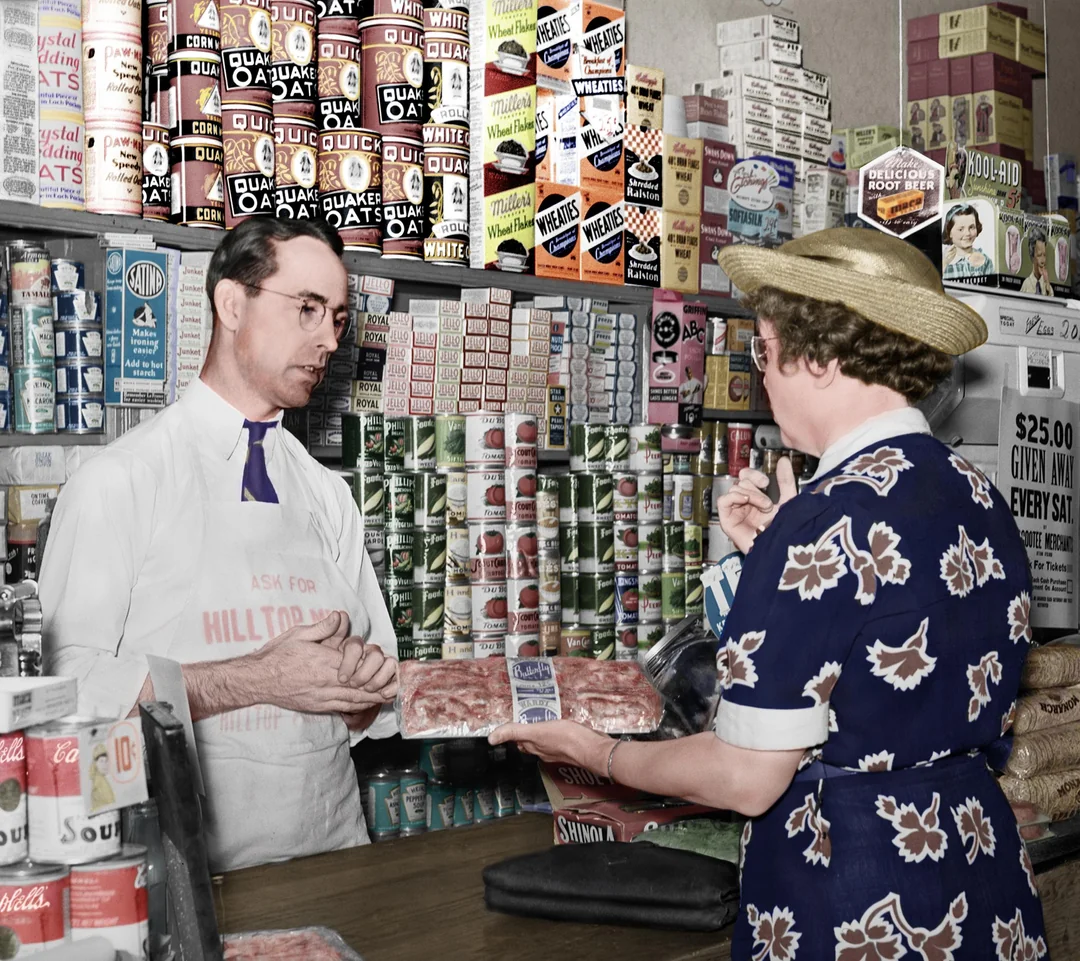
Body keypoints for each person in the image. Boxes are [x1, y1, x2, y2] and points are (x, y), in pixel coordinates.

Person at [492, 228, 1046, 959]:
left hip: (855, 901)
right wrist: (773, 558)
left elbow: (747, 776)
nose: (763, 375)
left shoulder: (821, 523)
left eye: (763, 349)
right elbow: (886, 627)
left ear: (816, 355)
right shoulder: (977, 494)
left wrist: (602, 753)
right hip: (982, 885)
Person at [41, 217, 399, 873]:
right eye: (308, 309)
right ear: (232, 303)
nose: (328, 339)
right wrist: (256, 678)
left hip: (338, 867)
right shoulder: (119, 482)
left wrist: (363, 686)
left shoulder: (327, 494)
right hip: (190, 889)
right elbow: (64, 699)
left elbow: (367, 711)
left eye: (339, 318)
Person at [943, 203, 994, 279]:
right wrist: (944, 264)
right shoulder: (942, 259)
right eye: (961, 229)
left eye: (971, 227)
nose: (967, 233)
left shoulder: (985, 261)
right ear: (949, 232)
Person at [1020, 227, 1053, 296]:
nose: (1043, 261)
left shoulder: (1048, 287)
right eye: (1039, 255)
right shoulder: (1026, 285)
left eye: (1044, 255)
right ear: (1032, 257)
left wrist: (1048, 289)